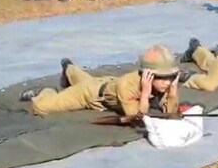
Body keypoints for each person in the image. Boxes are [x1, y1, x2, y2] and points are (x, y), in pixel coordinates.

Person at [19, 45, 181, 117]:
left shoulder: (163, 86)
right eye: (162, 78)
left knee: (83, 78)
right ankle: (45, 92)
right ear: (148, 76)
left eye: (171, 77)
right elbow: (138, 117)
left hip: (104, 84)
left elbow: (171, 112)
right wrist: (145, 94)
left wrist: (173, 93)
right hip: (90, 95)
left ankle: (69, 68)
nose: (167, 82)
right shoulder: (128, 85)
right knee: (41, 107)